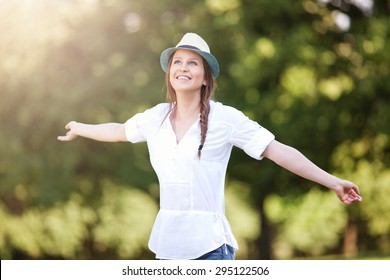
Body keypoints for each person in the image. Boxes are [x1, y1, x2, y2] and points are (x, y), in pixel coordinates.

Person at [58, 32, 362, 260]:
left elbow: (277, 150)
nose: (183, 67)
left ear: (205, 77)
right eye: (177, 62)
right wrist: (80, 127)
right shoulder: (156, 118)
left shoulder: (225, 118)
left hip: (210, 249)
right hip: (166, 247)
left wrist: (332, 181)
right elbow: (120, 130)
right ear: (170, 73)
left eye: (193, 62)